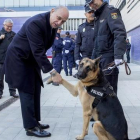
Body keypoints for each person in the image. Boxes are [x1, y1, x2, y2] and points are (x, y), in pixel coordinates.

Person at [4, 6, 69, 137]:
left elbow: (41, 49)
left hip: (31, 59)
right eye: (58, 18)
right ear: (52, 11)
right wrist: (53, 72)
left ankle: (35, 121)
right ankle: (30, 127)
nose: (59, 23)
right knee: (27, 91)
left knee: (36, 88)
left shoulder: (51, 25)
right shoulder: (36, 23)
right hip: (19, 59)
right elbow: (38, 51)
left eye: (63, 21)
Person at [85, 0, 126, 94]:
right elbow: (97, 41)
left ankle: (112, 109)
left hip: (109, 59)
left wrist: (118, 56)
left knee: (109, 92)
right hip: (99, 59)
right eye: (89, 4)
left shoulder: (111, 11)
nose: (91, 5)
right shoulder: (98, 16)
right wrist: (92, 60)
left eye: (92, 1)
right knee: (98, 91)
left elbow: (119, 33)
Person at [0, 19, 18, 99]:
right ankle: (0, 93)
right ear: (4, 25)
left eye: (11, 26)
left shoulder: (14, 35)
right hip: (1, 59)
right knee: (0, 78)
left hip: (11, 60)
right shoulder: (0, 34)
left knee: (11, 77)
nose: (9, 28)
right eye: (8, 26)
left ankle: (13, 92)